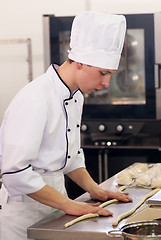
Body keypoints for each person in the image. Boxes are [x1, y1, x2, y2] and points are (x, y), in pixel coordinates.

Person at [0, 11, 132, 240]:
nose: (106, 83)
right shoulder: (35, 98)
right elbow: (14, 172)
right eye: (103, 73)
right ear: (79, 63)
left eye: (111, 74)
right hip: (25, 216)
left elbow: (71, 157)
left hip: (57, 206)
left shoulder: (76, 96)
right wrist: (70, 205)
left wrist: (94, 189)